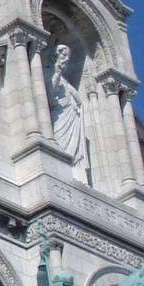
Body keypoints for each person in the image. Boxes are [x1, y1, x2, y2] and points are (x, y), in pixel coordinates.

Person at [49, 44, 90, 183]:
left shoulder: (65, 81)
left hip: (72, 118)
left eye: (68, 57)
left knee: (75, 151)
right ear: (55, 55)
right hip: (59, 117)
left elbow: (78, 98)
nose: (66, 59)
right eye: (63, 55)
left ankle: (78, 176)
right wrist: (57, 73)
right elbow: (50, 94)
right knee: (61, 145)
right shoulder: (48, 73)